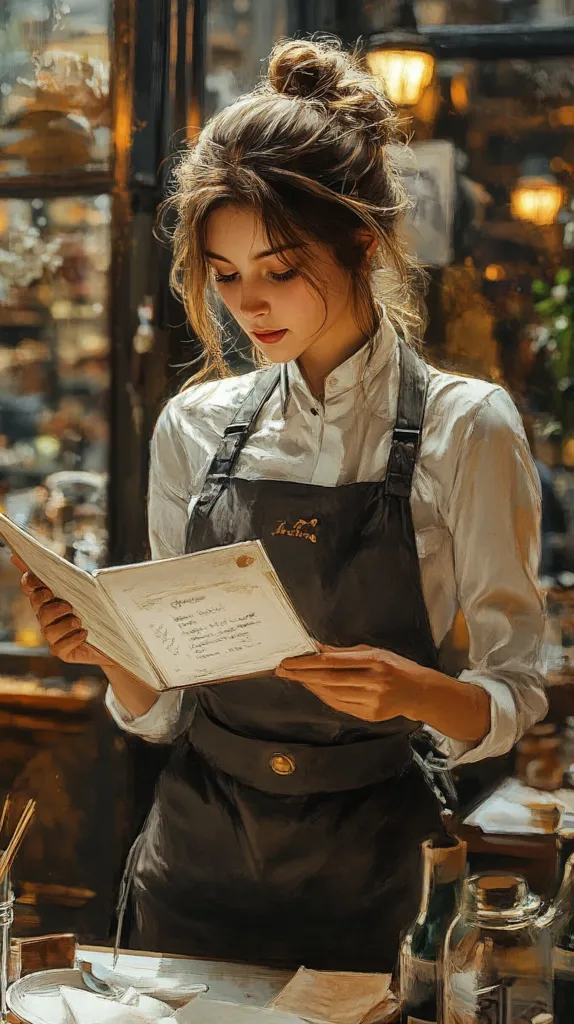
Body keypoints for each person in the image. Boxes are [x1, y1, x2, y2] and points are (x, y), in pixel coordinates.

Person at [13, 39, 547, 972]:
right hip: (196, 862)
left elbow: (517, 691)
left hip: (376, 874)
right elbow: (163, 712)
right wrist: (111, 653)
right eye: (224, 274)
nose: (247, 304)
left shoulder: (467, 427)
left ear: (362, 244)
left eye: (279, 268)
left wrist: (413, 691)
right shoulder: (193, 426)